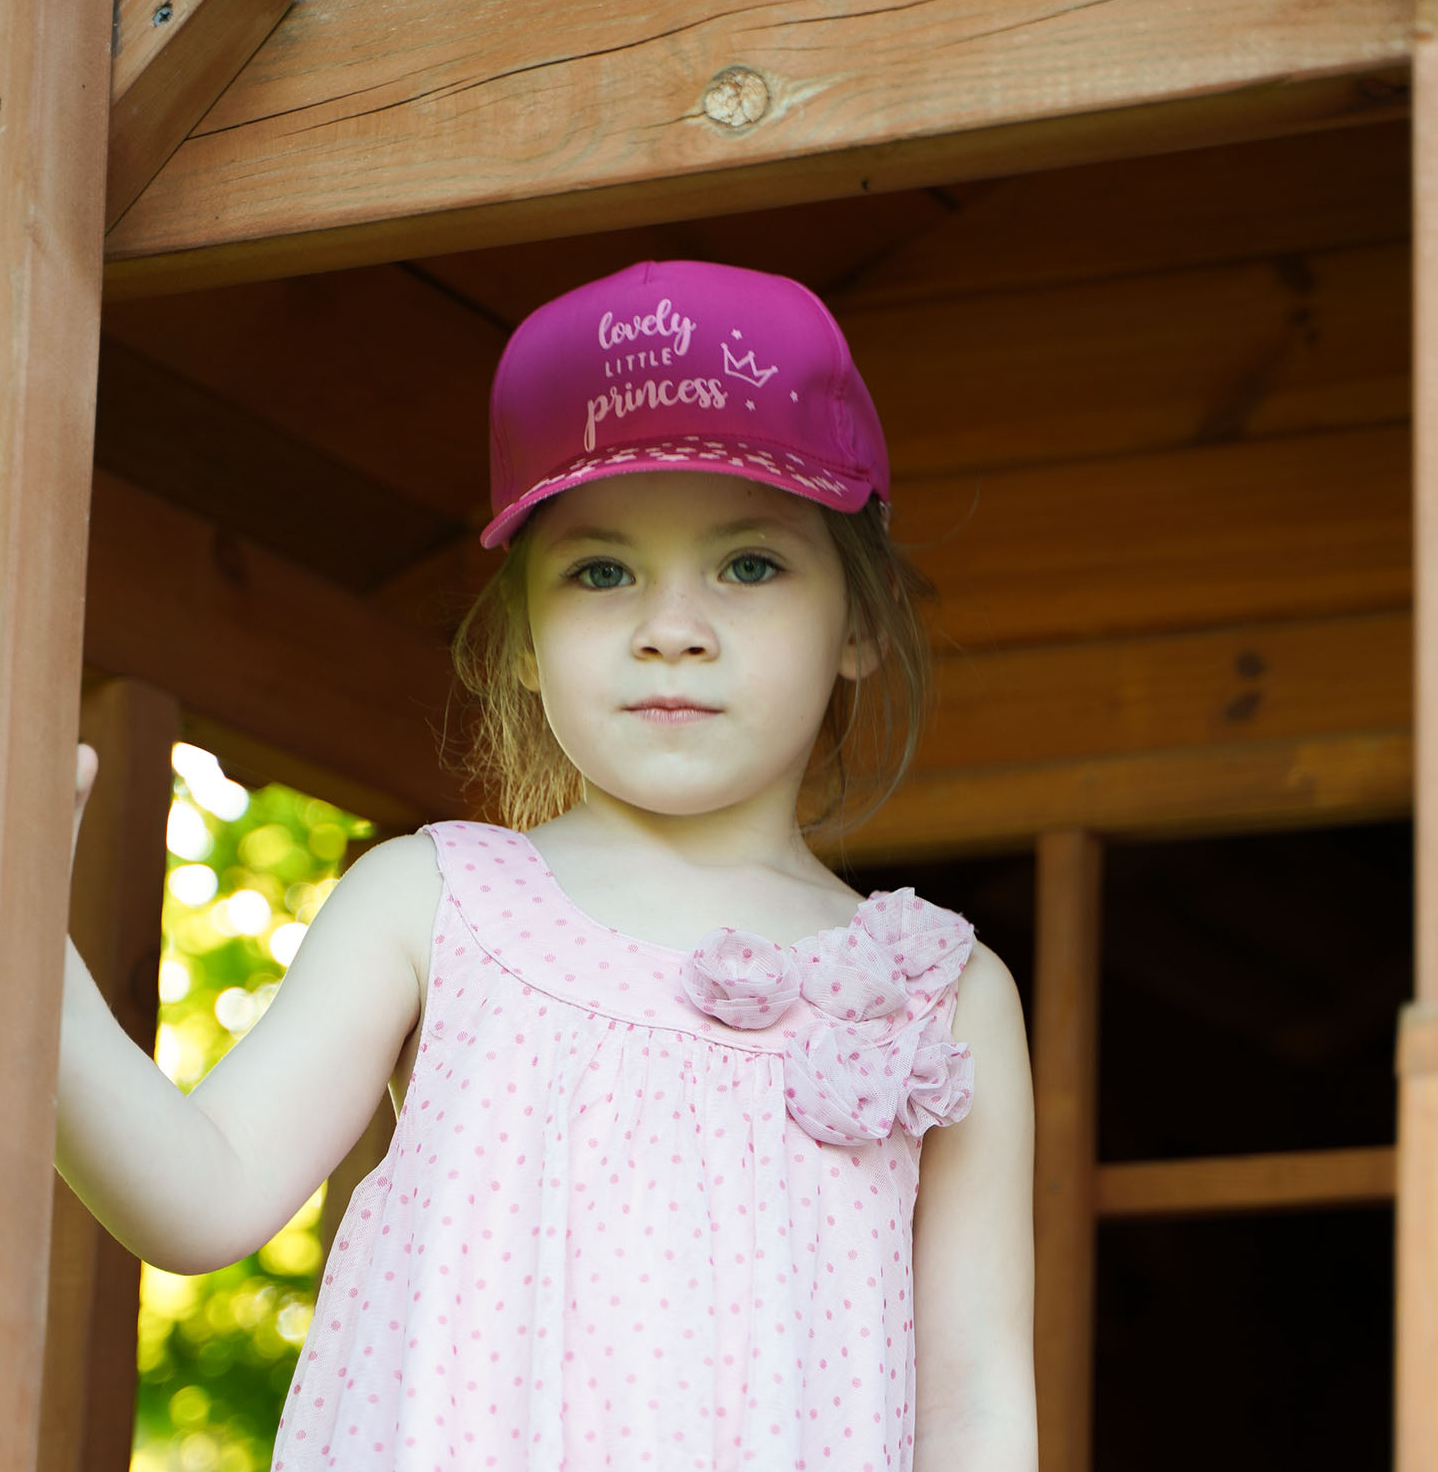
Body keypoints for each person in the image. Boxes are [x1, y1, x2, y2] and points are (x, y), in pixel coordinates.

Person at [60, 260, 1036, 1470]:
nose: (669, 624)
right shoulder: (435, 904)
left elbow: (977, 1404)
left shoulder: (943, 997)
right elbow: (199, 1200)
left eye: (750, 564)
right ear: (521, 637)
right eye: (601, 569)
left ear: (862, 624)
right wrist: (16, 960)